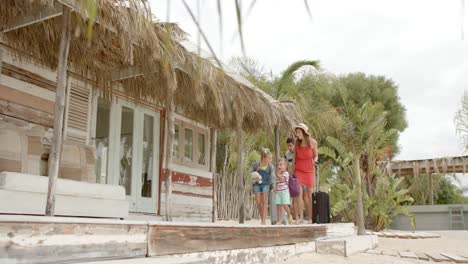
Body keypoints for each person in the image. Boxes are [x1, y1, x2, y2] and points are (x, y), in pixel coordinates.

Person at [294, 123, 318, 224]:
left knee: (309, 194)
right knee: (298, 193)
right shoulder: (296, 142)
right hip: (299, 170)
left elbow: (316, 156)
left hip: (309, 171)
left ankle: (310, 217)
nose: (297, 134)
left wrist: (315, 161)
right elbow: (295, 157)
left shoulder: (313, 142)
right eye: (297, 132)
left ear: (304, 132)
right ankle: (300, 217)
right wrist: (292, 172)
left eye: (299, 132)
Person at [249, 148, 275, 225]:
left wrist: (273, 185)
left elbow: (273, 176)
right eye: (269, 158)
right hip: (257, 184)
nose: (271, 160)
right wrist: (254, 177)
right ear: (264, 157)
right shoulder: (256, 164)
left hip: (266, 184)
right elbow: (250, 172)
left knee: (264, 201)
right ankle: (262, 217)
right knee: (258, 202)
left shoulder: (270, 166)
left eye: (271, 158)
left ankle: (263, 220)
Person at [274, 158, 294, 225]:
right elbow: (277, 182)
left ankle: (289, 215)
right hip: (278, 192)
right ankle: (279, 220)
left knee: (285, 205)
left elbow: (282, 180)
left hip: (284, 192)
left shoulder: (286, 173)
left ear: (285, 166)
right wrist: (275, 188)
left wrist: (278, 174)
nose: (279, 166)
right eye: (278, 165)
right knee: (278, 206)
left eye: (281, 165)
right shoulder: (278, 174)